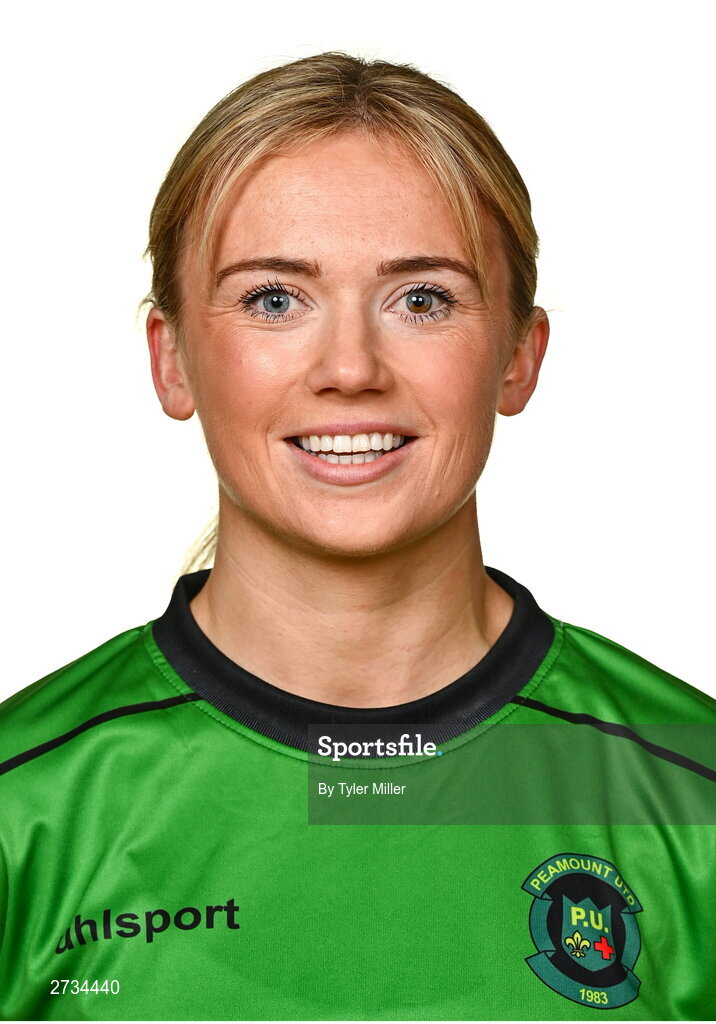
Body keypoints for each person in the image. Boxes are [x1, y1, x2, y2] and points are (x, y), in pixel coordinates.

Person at [0, 52, 713, 1022]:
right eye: (273, 298)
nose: (349, 368)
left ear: (518, 354)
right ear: (172, 361)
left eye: (422, 299)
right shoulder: (27, 808)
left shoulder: (688, 794)